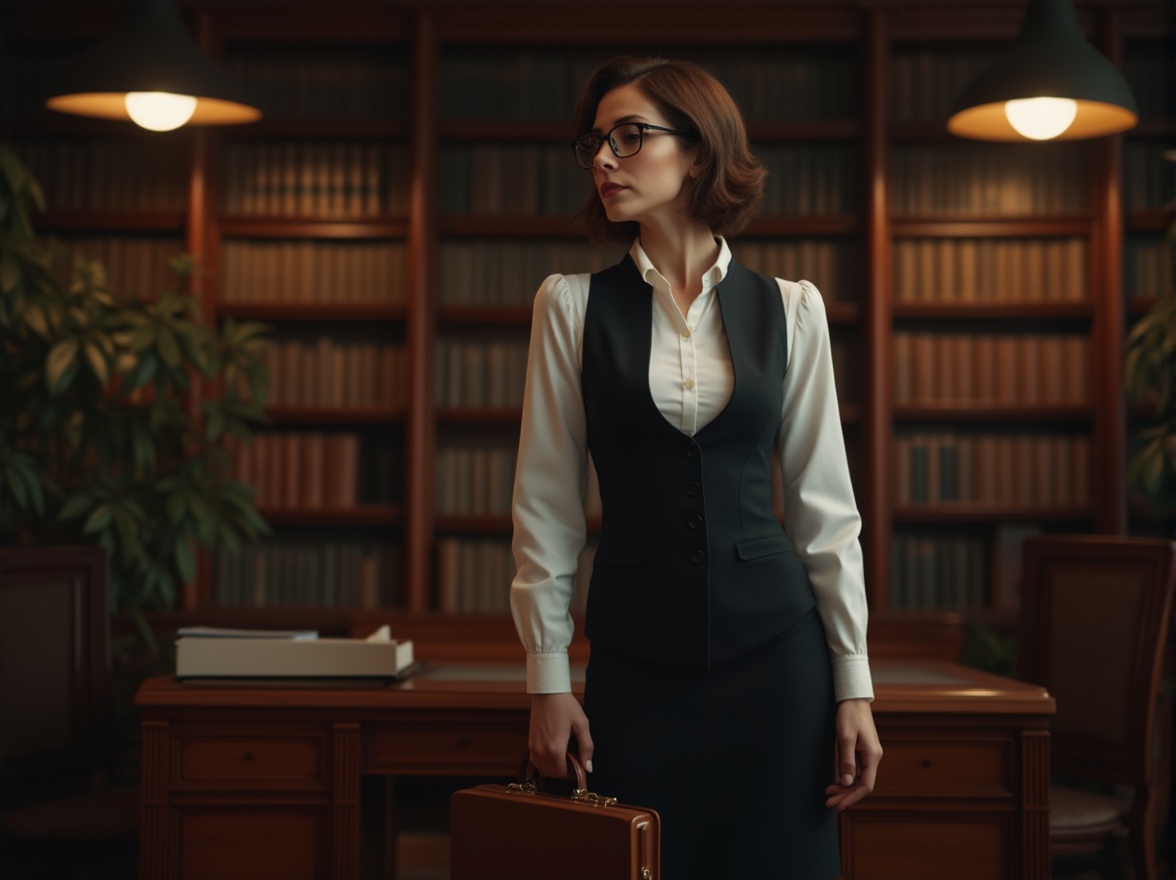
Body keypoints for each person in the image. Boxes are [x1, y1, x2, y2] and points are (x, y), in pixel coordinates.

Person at [509, 54, 881, 880]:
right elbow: (547, 505)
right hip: (634, 670)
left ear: (700, 151)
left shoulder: (793, 308)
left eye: (630, 137)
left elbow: (826, 510)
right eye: (596, 142)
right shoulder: (568, 306)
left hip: (778, 662)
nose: (604, 159)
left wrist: (852, 686)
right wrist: (547, 679)